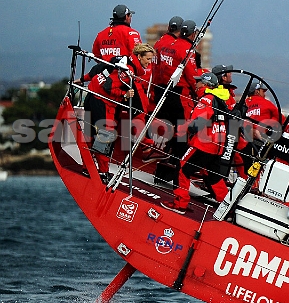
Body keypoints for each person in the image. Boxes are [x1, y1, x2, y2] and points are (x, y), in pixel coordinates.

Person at [82, 44, 156, 183]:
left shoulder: (122, 59)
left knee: (93, 136)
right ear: (139, 57)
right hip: (102, 101)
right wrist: (124, 94)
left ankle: (88, 167)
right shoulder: (128, 71)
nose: (149, 62)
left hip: (92, 95)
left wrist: (83, 79)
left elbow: (100, 68)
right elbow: (108, 86)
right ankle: (103, 173)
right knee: (106, 136)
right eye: (148, 59)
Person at [161, 71, 232, 214]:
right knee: (213, 177)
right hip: (218, 145)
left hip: (204, 143)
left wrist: (183, 128)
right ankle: (228, 209)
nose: (195, 83)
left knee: (182, 169)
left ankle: (180, 204)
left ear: (205, 85)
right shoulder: (221, 99)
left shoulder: (206, 99)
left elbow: (197, 124)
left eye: (198, 81)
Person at [151, 19, 201, 184]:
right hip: (179, 94)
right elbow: (191, 75)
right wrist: (199, 93)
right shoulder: (187, 49)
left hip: (160, 91)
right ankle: (178, 169)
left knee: (169, 128)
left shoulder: (161, 43)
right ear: (192, 33)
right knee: (182, 131)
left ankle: (167, 160)